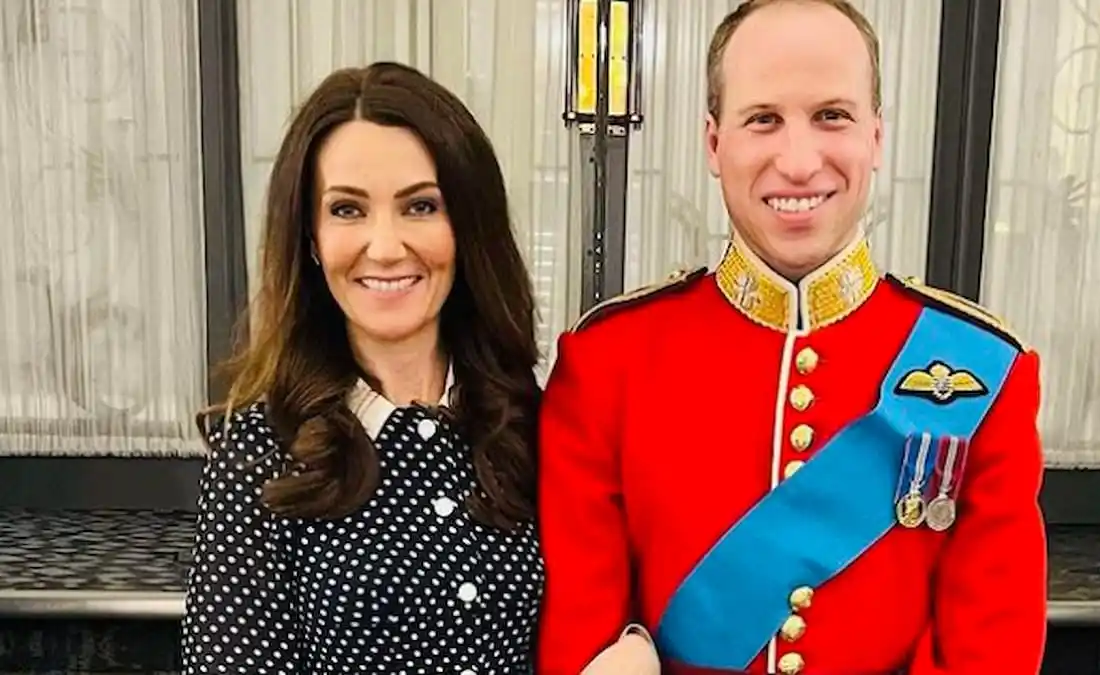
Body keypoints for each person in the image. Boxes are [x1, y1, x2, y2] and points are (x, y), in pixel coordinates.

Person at [536, 1, 1048, 674]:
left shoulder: (981, 372)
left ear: (876, 137)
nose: (799, 162)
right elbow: (583, 642)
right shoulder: (607, 361)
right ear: (714, 143)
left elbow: (989, 654)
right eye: (763, 120)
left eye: (831, 116)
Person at [179, 61, 546, 674]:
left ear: (467, 226)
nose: (385, 246)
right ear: (311, 239)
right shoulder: (262, 452)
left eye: (421, 206)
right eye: (348, 210)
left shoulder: (528, 422)